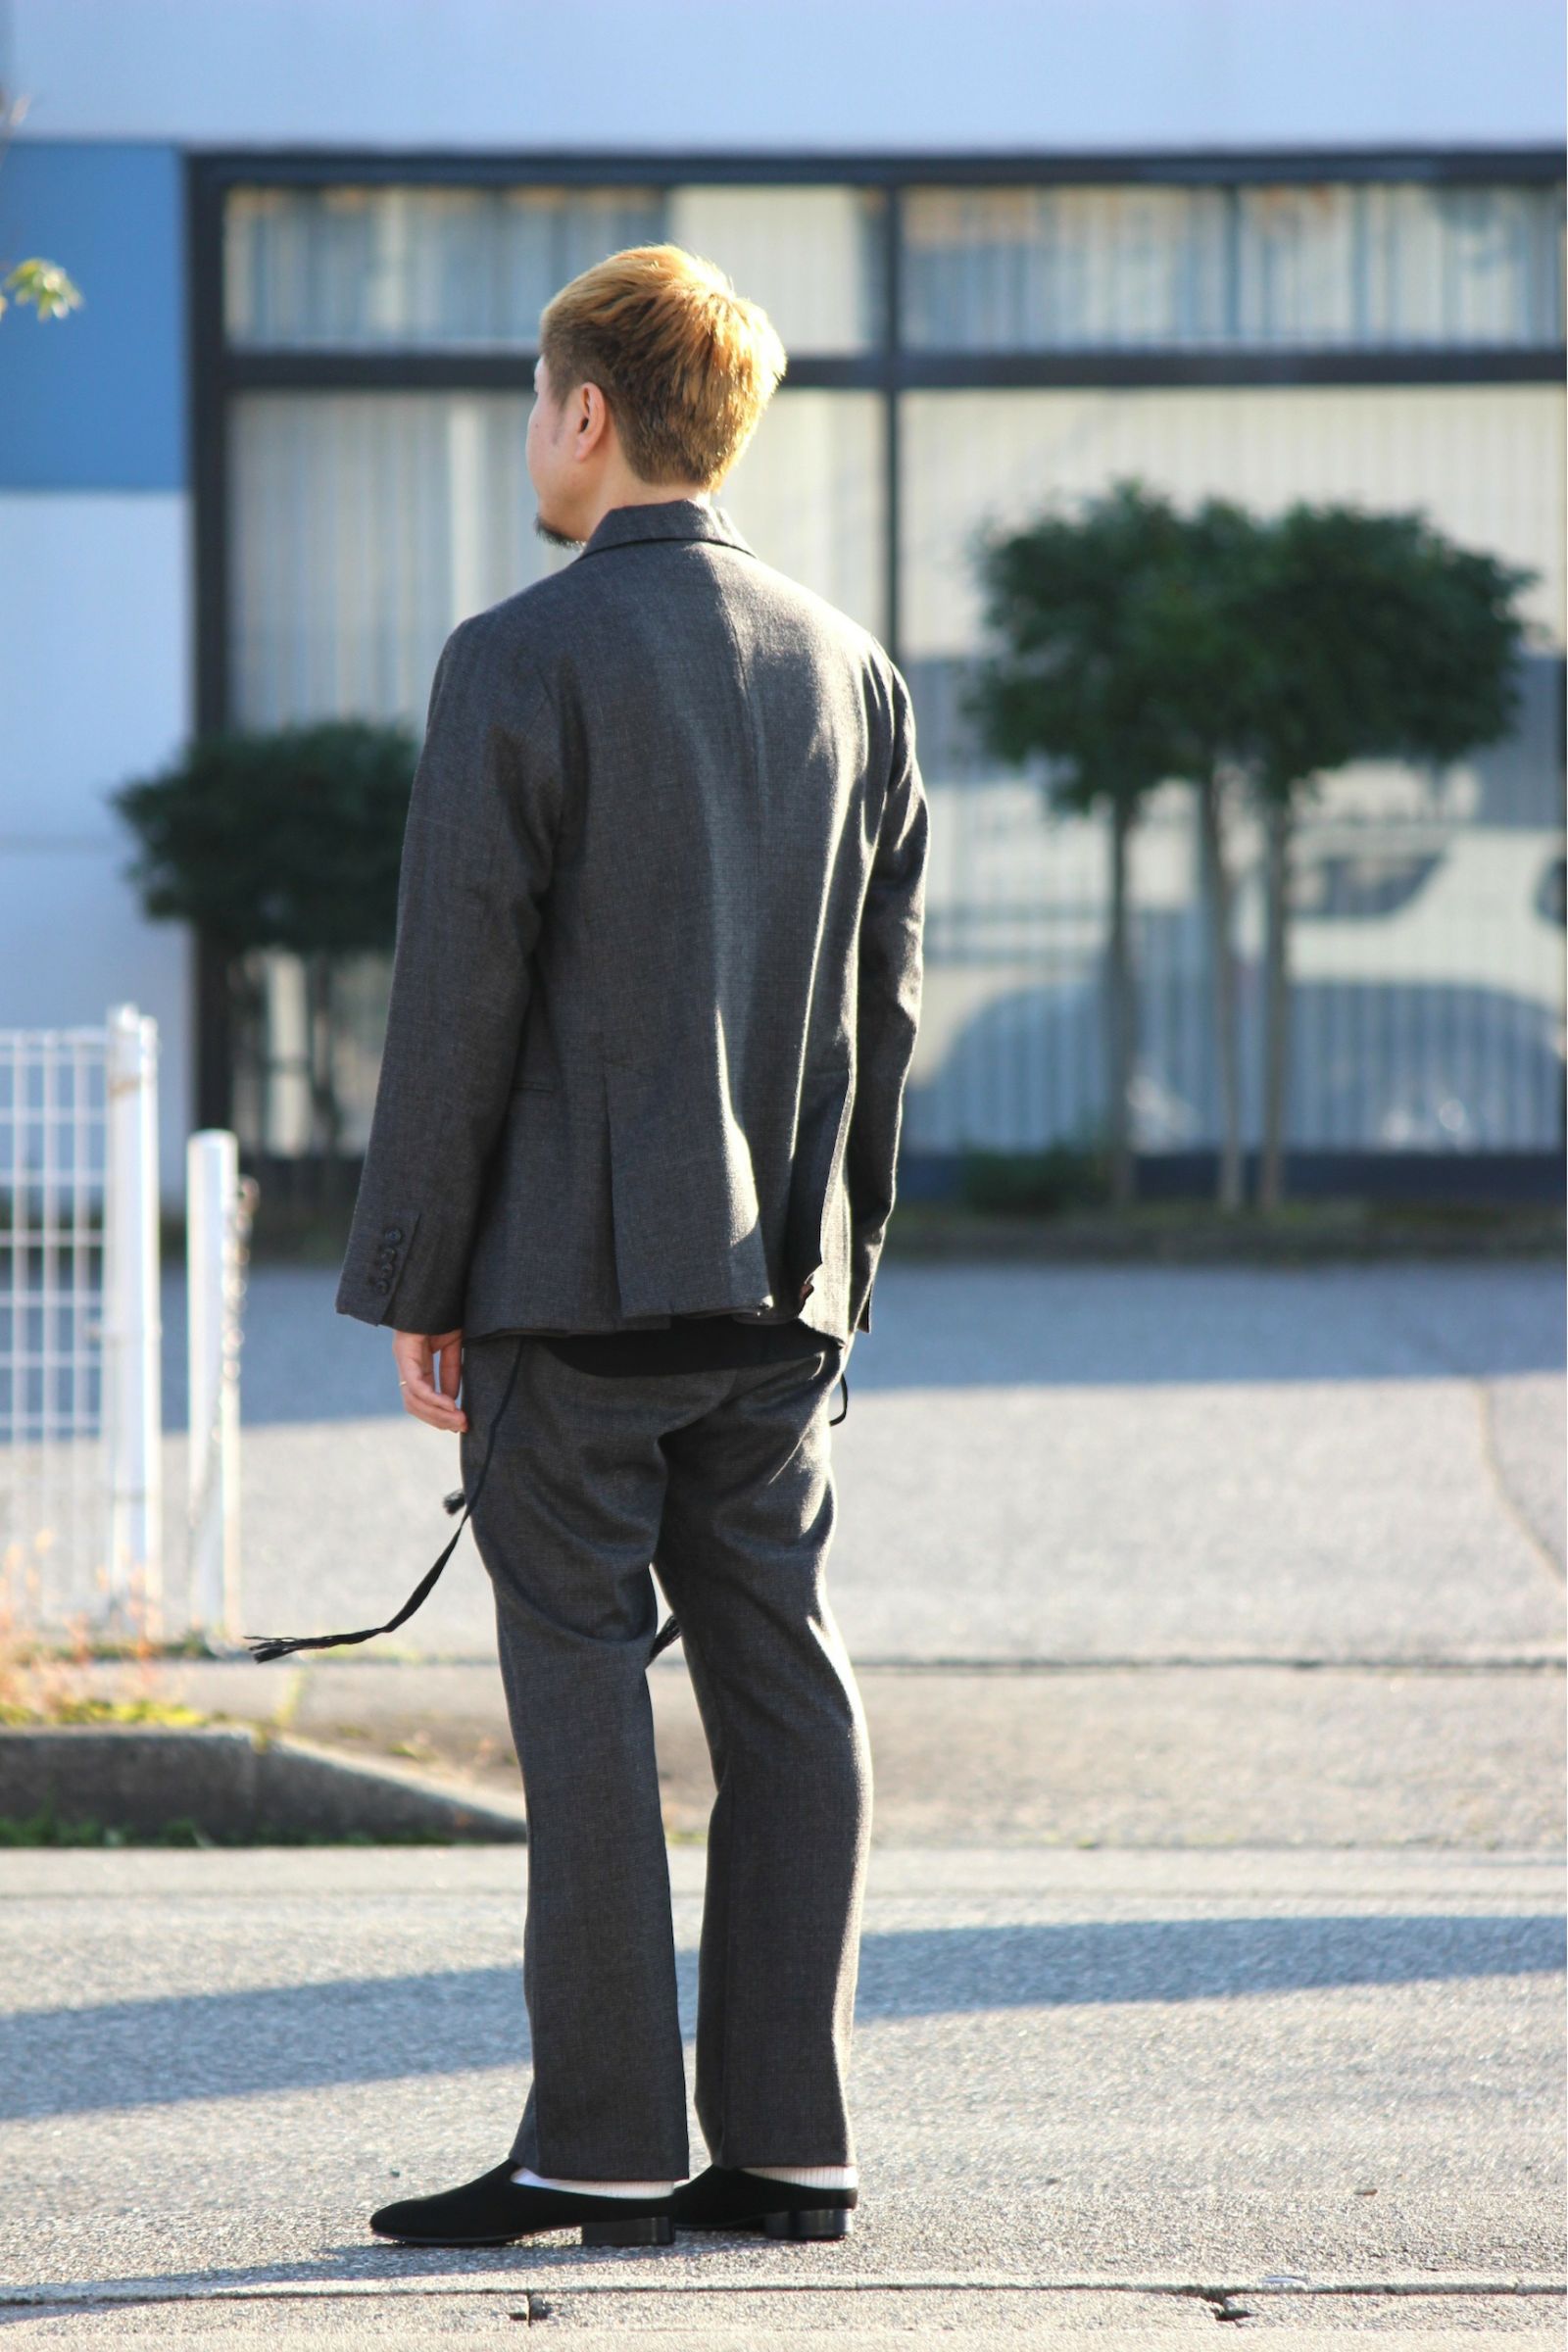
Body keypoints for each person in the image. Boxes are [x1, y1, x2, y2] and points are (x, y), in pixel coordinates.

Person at [330, 243, 927, 2251]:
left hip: (571, 1296)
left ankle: (597, 2141)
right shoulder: (850, 664)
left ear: (586, 414)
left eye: (532, 399)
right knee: (780, 1683)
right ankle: (788, 2143)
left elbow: (457, 996)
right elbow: (880, 1011)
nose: (529, 435)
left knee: (579, 1693)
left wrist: (417, 1275)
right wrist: (844, 1272)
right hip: (780, 1294)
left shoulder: (517, 654)